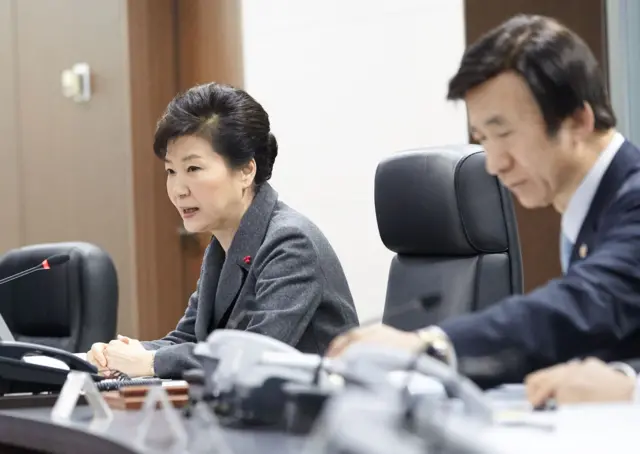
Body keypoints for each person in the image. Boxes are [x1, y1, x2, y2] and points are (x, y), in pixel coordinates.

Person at [327, 14, 640, 386]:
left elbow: (587, 305)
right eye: (483, 139)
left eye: (504, 133)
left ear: (578, 120)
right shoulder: (590, 210)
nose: (494, 164)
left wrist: (431, 347)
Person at [87, 82, 359, 378]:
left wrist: (151, 363)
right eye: (171, 171)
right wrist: (121, 354)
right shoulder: (223, 244)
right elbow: (188, 341)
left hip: (314, 419)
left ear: (245, 171)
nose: (178, 190)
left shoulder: (291, 243)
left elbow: (256, 356)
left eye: (193, 169)